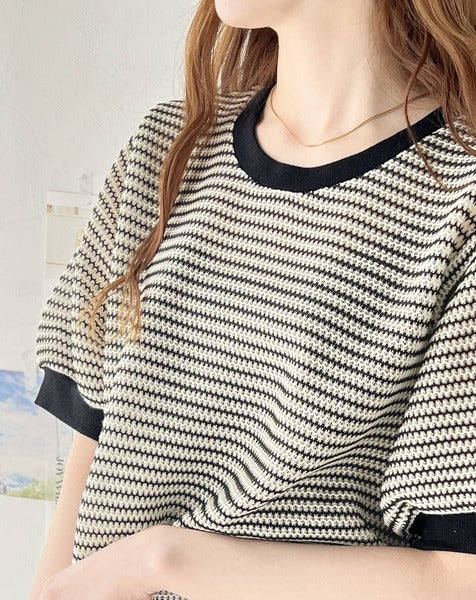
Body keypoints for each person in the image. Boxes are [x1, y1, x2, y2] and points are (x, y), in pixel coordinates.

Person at [29, 0, 476, 598]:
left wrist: (162, 560)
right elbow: (86, 475)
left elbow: (459, 575)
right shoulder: (166, 151)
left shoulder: (459, 201)